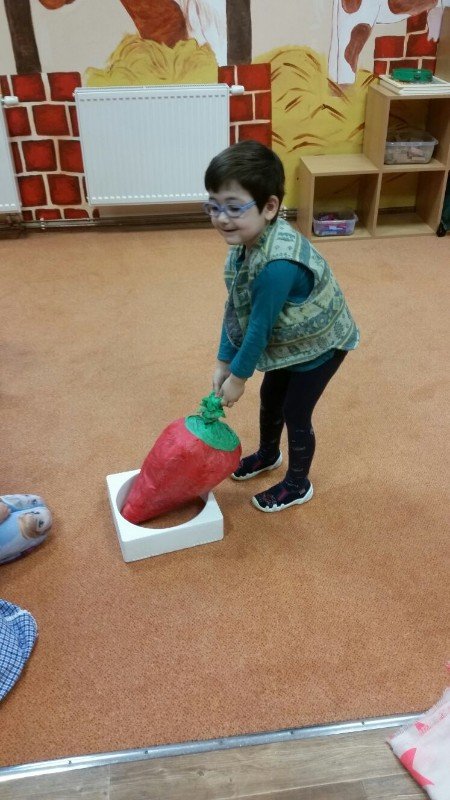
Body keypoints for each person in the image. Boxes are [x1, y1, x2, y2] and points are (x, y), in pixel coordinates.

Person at [204, 140, 359, 513]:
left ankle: (297, 484)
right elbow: (236, 305)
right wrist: (224, 361)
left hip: (322, 345)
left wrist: (238, 377)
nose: (221, 218)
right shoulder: (245, 243)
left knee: (295, 411)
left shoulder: (277, 265)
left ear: (270, 207)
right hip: (291, 339)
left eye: (233, 207)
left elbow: (259, 328)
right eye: (213, 206)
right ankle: (269, 454)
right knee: (271, 396)